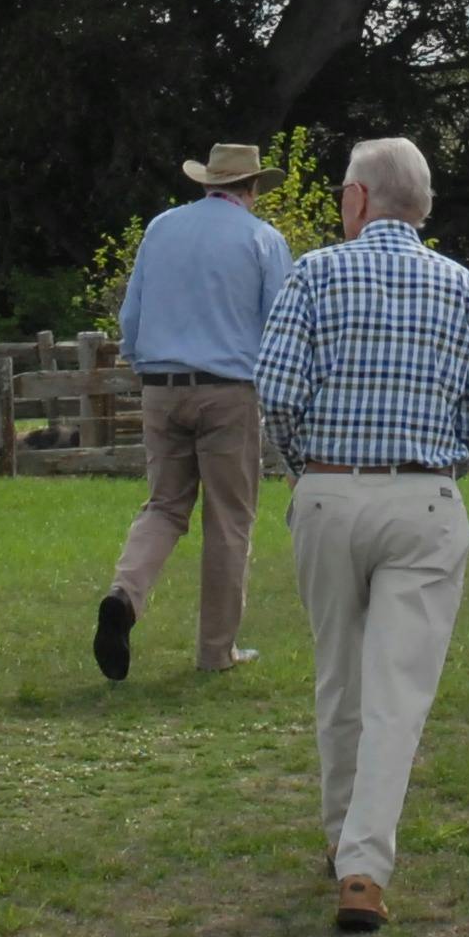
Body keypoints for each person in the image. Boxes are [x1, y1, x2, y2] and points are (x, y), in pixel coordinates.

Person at [251, 136, 469, 936]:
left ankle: (342, 840)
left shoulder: (315, 272)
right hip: (424, 498)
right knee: (399, 692)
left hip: (329, 490)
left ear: (359, 199)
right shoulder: (461, 286)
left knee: (340, 679)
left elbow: (277, 391)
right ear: (420, 206)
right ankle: (364, 864)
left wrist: (306, 472)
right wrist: (436, 466)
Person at [93, 141, 295, 684]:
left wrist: (143, 364)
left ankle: (124, 595)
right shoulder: (262, 239)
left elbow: (131, 312)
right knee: (229, 520)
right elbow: (279, 324)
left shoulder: (161, 229)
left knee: (163, 506)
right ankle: (216, 650)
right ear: (250, 188)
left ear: (207, 182)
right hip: (229, 389)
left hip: (162, 384)